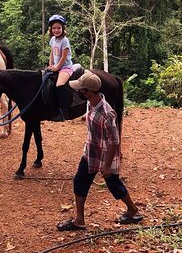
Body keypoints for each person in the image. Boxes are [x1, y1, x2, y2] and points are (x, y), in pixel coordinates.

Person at [56, 71, 143, 231]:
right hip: (91, 151)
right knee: (80, 181)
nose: (78, 92)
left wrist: (107, 165)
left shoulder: (107, 113)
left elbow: (115, 141)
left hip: (105, 155)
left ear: (88, 91)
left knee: (114, 185)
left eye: (81, 89)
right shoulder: (91, 103)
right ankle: (79, 220)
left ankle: (133, 210)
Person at [47, 14, 74, 122]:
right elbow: (52, 53)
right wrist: (50, 65)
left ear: (63, 28)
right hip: (56, 67)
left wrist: (57, 67)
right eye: (54, 28)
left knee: (59, 85)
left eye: (58, 28)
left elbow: (63, 57)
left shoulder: (65, 40)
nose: (56, 30)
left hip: (65, 67)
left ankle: (64, 112)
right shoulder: (53, 39)